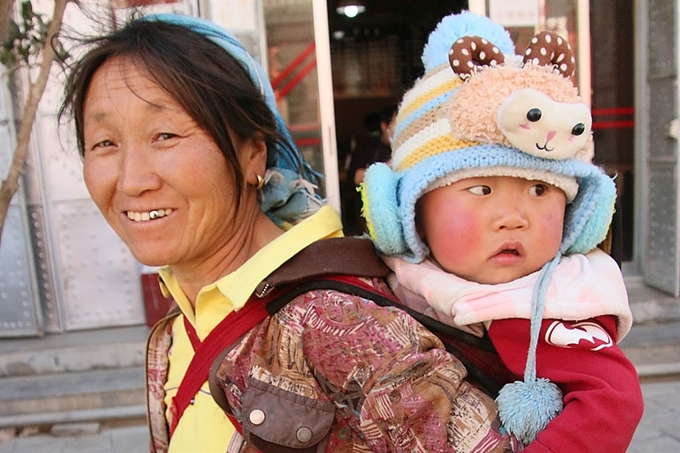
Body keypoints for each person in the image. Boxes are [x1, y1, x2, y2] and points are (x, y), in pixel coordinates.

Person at [58, 13, 515, 453]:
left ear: (253, 154)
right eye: (105, 143)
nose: (132, 180)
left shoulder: (341, 323)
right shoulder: (179, 327)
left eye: (165, 136)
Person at [361, 12, 644, 452]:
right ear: (408, 213)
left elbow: (614, 399)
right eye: (482, 188)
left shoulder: (548, 305)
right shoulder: (372, 280)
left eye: (538, 189)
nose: (513, 217)